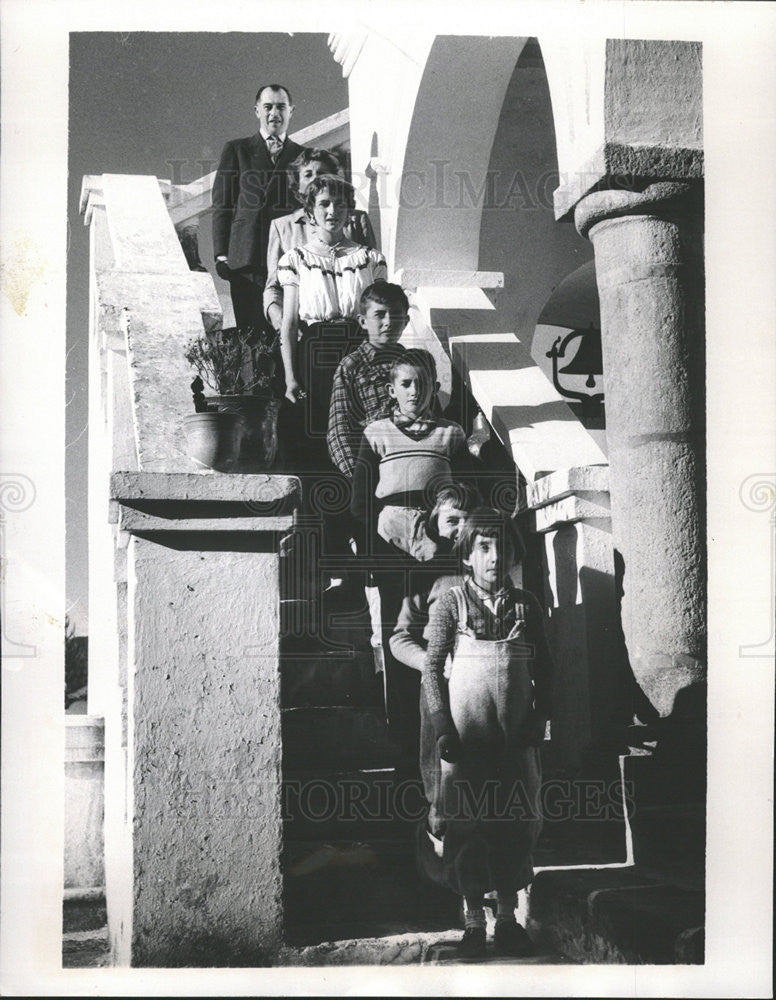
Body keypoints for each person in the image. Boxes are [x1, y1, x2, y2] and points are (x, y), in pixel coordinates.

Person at [421, 507, 554, 959]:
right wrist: (442, 727)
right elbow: (431, 671)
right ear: (467, 557)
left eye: (503, 547)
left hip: (513, 740)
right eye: (484, 548)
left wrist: (539, 719)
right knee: (468, 827)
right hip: (465, 740)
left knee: (512, 826)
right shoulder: (451, 605)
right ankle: (474, 924)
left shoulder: (526, 607)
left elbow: (548, 671)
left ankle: (508, 921)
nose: (495, 557)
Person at [277, 173, 387, 471]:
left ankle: (361, 508)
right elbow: (288, 323)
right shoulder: (296, 259)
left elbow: (381, 316)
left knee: (361, 431)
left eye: (340, 204)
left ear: (349, 210)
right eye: (324, 203)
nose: (332, 211)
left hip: (361, 350)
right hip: (315, 353)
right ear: (311, 210)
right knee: (318, 430)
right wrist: (290, 376)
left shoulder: (370, 259)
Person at [350, 350, 472, 561]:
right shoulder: (376, 432)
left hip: (439, 526)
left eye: (422, 383)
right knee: (398, 593)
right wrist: (373, 545)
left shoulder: (451, 432)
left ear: (434, 388)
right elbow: (361, 501)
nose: (414, 391)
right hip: (390, 533)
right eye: (406, 384)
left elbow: (467, 488)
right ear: (391, 390)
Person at [212, 84, 306, 332]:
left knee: (290, 334)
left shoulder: (304, 156)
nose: (274, 113)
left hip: (289, 254)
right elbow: (223, 204)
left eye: (281, 107)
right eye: (268, 107)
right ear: (257, 111)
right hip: (247, 258)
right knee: (253, 337)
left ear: (291, 111)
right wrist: (222, 254)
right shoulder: (237, 150)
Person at [263, 148, 377, 334]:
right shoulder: (282, 227)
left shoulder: (356, 220)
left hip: (357, 329)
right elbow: (273, 287)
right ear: (297, 185)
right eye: (308, 174)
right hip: (305, 330)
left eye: (322, 173)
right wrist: (281, 319)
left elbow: (373, 279)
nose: (315, 179)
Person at [326, 282, 411, 480]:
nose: (388, 322)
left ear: (406, 321)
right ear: (363, 321)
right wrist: (359, 478)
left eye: (396, 314)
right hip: (375, 467)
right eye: (379, 314)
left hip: (414, 460)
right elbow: (339, 431)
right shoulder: (352, 366)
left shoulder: (415, 364)